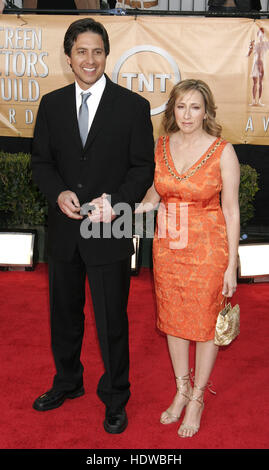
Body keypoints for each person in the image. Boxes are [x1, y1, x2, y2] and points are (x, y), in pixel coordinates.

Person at [31, 18, 154, 434]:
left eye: (97, 51)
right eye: (81, 51)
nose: (90, 59)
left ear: (106, 55)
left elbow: (142, 169)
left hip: (109, 229)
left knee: (111, 321)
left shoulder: (133, 107)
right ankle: (67, 382)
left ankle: (116, 395)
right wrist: (59, 192)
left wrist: (116, 204)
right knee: (63, 317)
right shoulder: (50, 105)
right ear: (68, 57)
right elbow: (41, 163)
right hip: (66, 230)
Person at [136, 79, 240, 437]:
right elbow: (156, 188)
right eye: (181, 107)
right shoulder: (161, 145)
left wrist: (232, 264)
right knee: (173, 320)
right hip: (167, 247)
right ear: (172, 110)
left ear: (207, 111)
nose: (187, 115)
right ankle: (181, 390)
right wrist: (135, 209)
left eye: (195, 107)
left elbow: (231, 209)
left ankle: (197, 397)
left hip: (209, 248)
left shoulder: (223, 151)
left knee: (204, 323)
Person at [247, 27, 269, 106]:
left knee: (260, 83)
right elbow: (248, 55)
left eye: (262, 33)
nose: (261, 35)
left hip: (262, 64)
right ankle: (253, 101)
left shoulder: (266, 44)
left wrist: (265, 33)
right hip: (255, 64)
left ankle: (259, 100)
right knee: (255, 83)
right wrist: (250, 47)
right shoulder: (254, 44)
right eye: (259, 33)